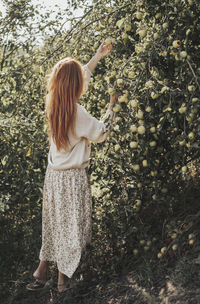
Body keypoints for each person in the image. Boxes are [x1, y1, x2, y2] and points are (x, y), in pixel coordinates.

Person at [26, 41, 116, 292]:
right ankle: (62, 282)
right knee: (71, 228)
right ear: (76, 85)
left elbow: (77, 79)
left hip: (54, 176)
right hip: (73, 178)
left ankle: (41, 272)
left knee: (55, 223)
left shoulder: (52, 103)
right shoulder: (78, 113)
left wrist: (96, 57)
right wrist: (111, 107)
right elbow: (100, 133)